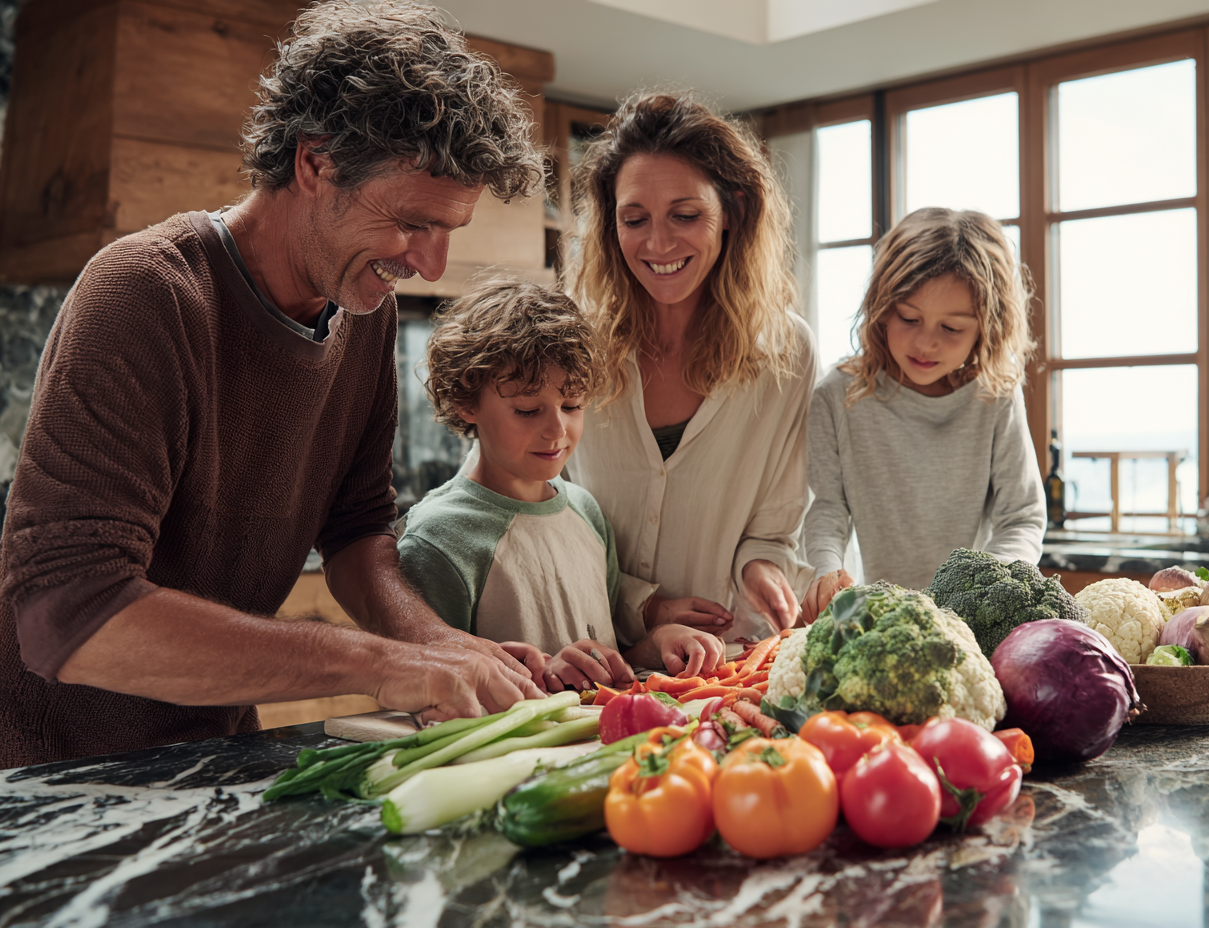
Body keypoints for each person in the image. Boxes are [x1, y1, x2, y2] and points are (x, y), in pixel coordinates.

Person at [0, 1, 547, 768]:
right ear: (315, 163)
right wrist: (379, 663)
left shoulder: (363, 312)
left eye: (449, 230)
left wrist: (441, 646)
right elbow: (67, 612)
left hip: (216, 754)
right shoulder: (144, 294)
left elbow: (356, 529)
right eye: (412, 223)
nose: (430, 264)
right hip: (53, 779)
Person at [564, 91, 818, 642]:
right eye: (634, 219)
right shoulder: (571, 339)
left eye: (685, 215)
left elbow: (774, 527)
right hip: (585, 652)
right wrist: (640, 605)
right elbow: (521, 499)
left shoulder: (786, 351)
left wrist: (762, 569)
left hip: (721, 663)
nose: (658, 243)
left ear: (734, 212)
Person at [399, 280, 725, 692]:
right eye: (527, 410)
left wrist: (655, 645)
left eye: (572, 405)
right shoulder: (438, 539)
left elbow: (610, 663)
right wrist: (543, 677)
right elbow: (427, 694)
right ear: (467, 402)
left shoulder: (585, 512)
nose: (557, 430)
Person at [802, 207, 1047, 618]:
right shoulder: (837, 395)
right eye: (909, 317)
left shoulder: (996, 396)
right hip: (877, 620)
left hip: (970, 623)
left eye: (951, 328)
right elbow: (827, 509)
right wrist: (827, 572)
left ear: (987, 327)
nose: (926, 342)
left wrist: (986, 592)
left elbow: (1021, 518)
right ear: (881, 308)